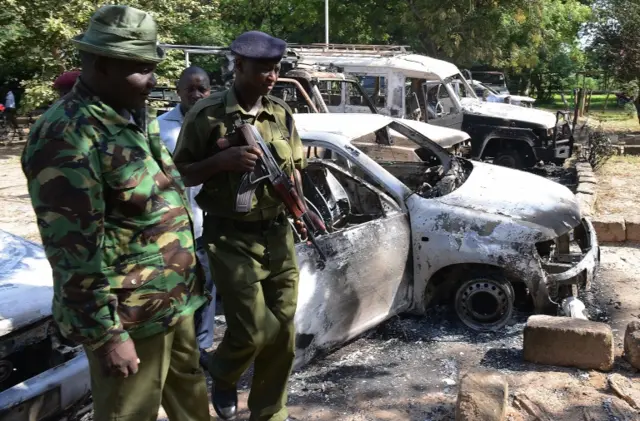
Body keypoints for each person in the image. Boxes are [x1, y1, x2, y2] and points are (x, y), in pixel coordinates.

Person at [21, 5, 211, 421]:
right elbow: (72, 251)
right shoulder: (67, 134)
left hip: (172, 303)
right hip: (129, 317)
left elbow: (160, 200)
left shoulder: (133, 114)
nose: (154, 79)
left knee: (193, 402)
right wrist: (107, 337)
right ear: (102, 64)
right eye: (142, 68)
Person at [173, 30, 306, 421]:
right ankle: (223, 370)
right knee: (251, 331)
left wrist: (299, 208)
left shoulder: (280, 112)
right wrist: (221, 161)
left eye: (276, 68)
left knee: (283, 334)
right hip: (231, 237)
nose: (272, 76)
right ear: (239, 66)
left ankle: (270, 413)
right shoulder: (207, 115)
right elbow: (180, 173)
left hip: (278, 234)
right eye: (264, 69)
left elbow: (295, 168)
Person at [156, 65, 216, 369]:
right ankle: (176, 350)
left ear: (210, 90)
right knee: (176, 290)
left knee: (207, 288)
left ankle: (201, 347)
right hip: (172, 228)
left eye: (201, 89)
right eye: (189, 89)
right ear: (178, 91)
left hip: (210, 223)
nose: (196, 94)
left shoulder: (218, 123)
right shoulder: (159, 127)